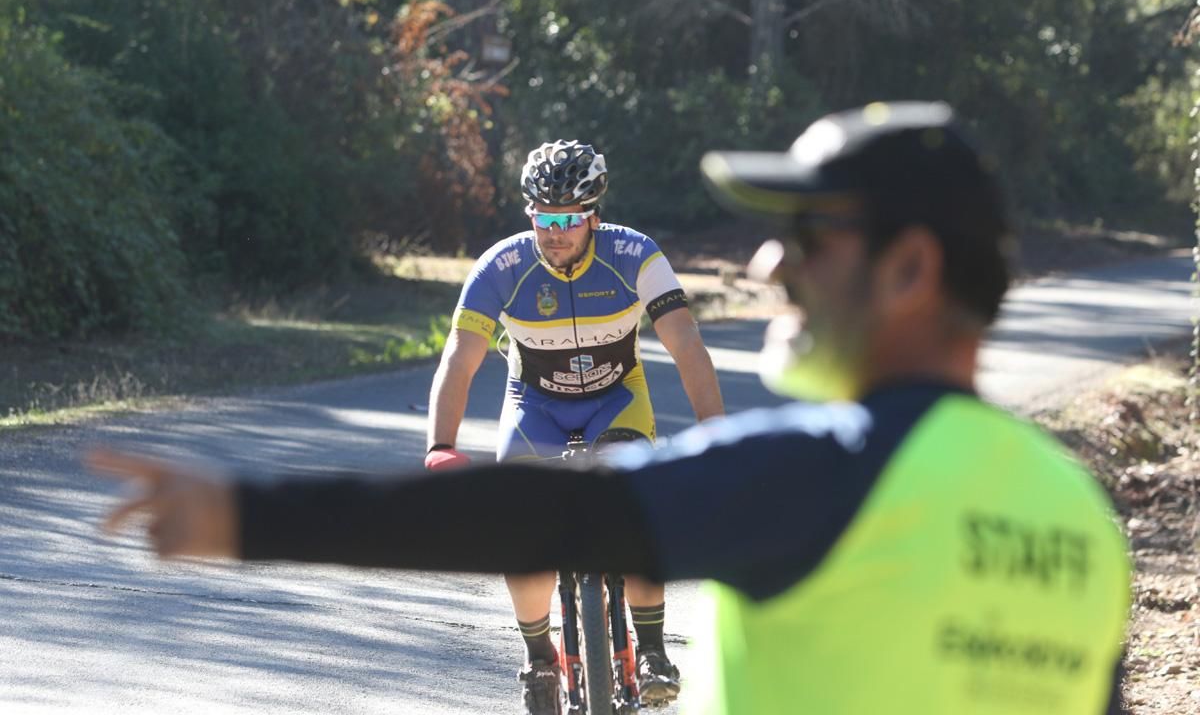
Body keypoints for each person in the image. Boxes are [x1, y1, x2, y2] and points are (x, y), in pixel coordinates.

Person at [92, 102, 1132, 715]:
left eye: (812, 237)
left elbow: (543, 514)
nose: (772, 263)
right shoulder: (1077, 512)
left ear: (909, 267)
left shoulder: (823, 471)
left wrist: (247, 515)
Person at [425, 138, 725, 711]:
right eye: (543, 216)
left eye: (569, 218)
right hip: (534, 404)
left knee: (633, 507)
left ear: (594, 216)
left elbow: (687, 345)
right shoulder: (501, 266)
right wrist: (441, 445)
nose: (554, 230)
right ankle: (540, 658)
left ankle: (654, 649)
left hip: (616, 399)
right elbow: (459, 358)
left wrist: (716, 431)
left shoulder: (635, 255)